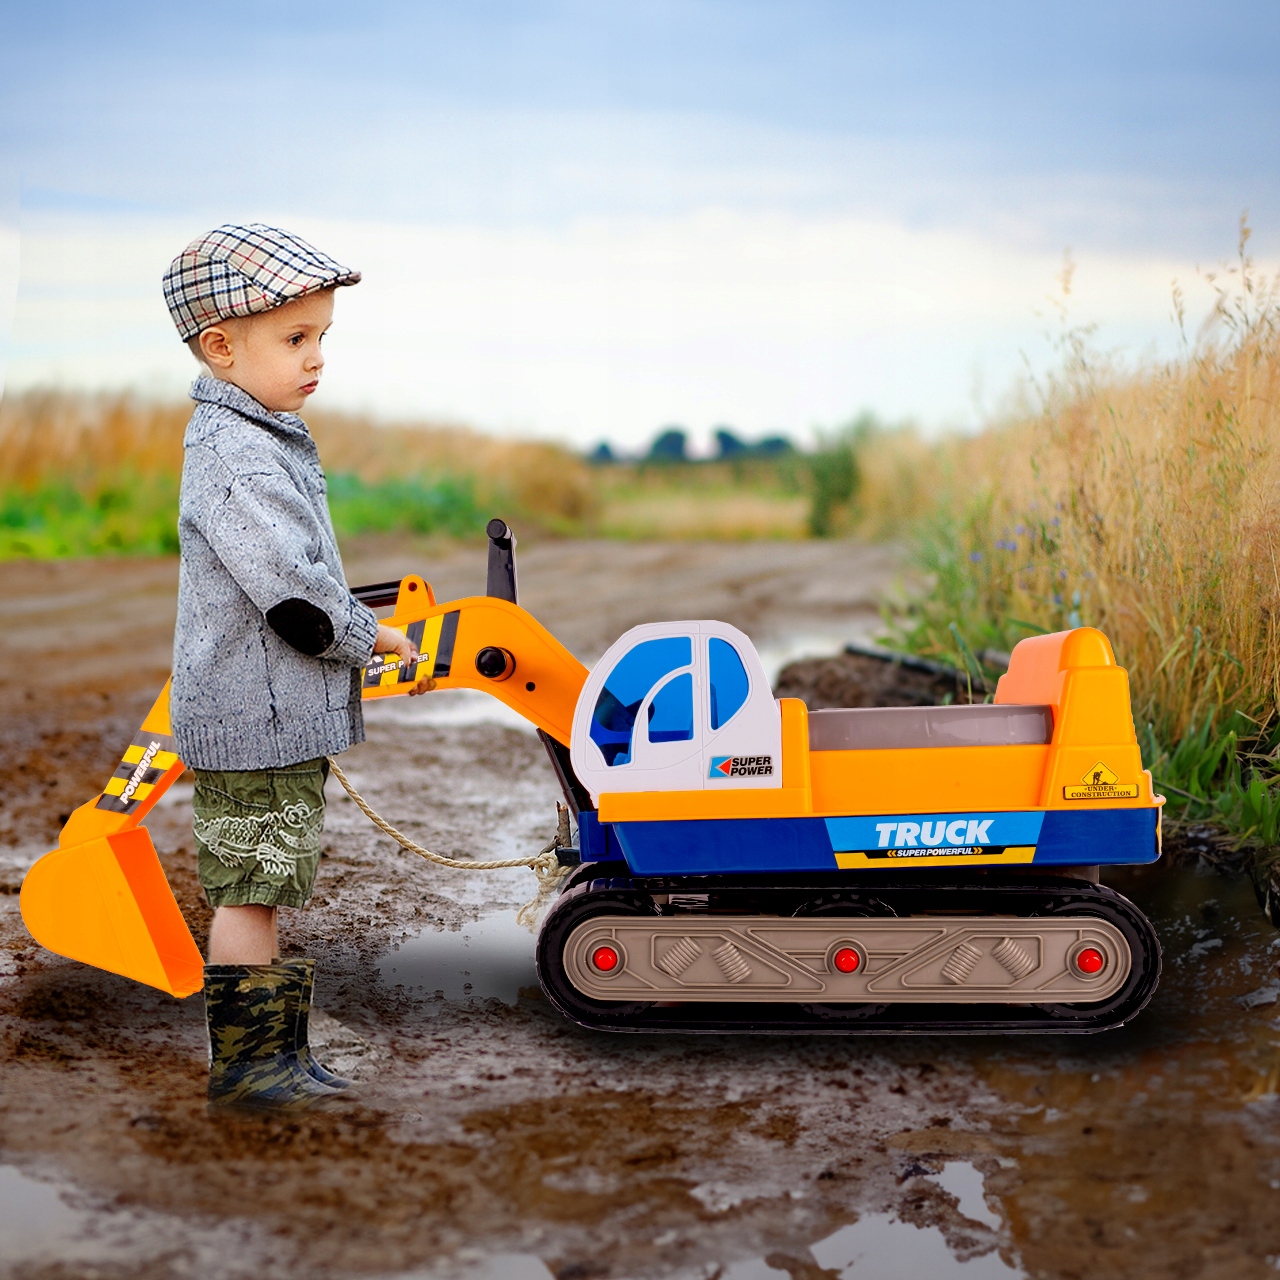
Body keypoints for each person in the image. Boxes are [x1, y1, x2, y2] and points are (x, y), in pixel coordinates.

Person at [162, 224, 429, 1108]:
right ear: (221, 347)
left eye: (321, 338)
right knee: (248, 891)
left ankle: (282, 1055)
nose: (317, 359)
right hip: (252, 717)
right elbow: (297, 602)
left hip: (274, 718)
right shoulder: (235, 456)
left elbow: (305, 578)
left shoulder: (266, 437)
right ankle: (250, 1069)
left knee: (267, 885)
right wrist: (371, 637)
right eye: (295, 339)